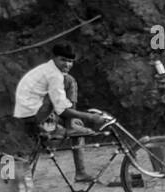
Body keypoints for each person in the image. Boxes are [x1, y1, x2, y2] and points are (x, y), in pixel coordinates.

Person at [11, 44, 107, 182]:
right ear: (54, 58)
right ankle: (71, 125)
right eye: (63, 60)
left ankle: (80, 172)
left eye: (70, 61)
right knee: (69, 82)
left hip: (35, 111)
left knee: (68, 83)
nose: (67, 64)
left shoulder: (49, 70)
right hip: (33, 115)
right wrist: (91, 117)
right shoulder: (54, 75)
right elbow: (61, 108)